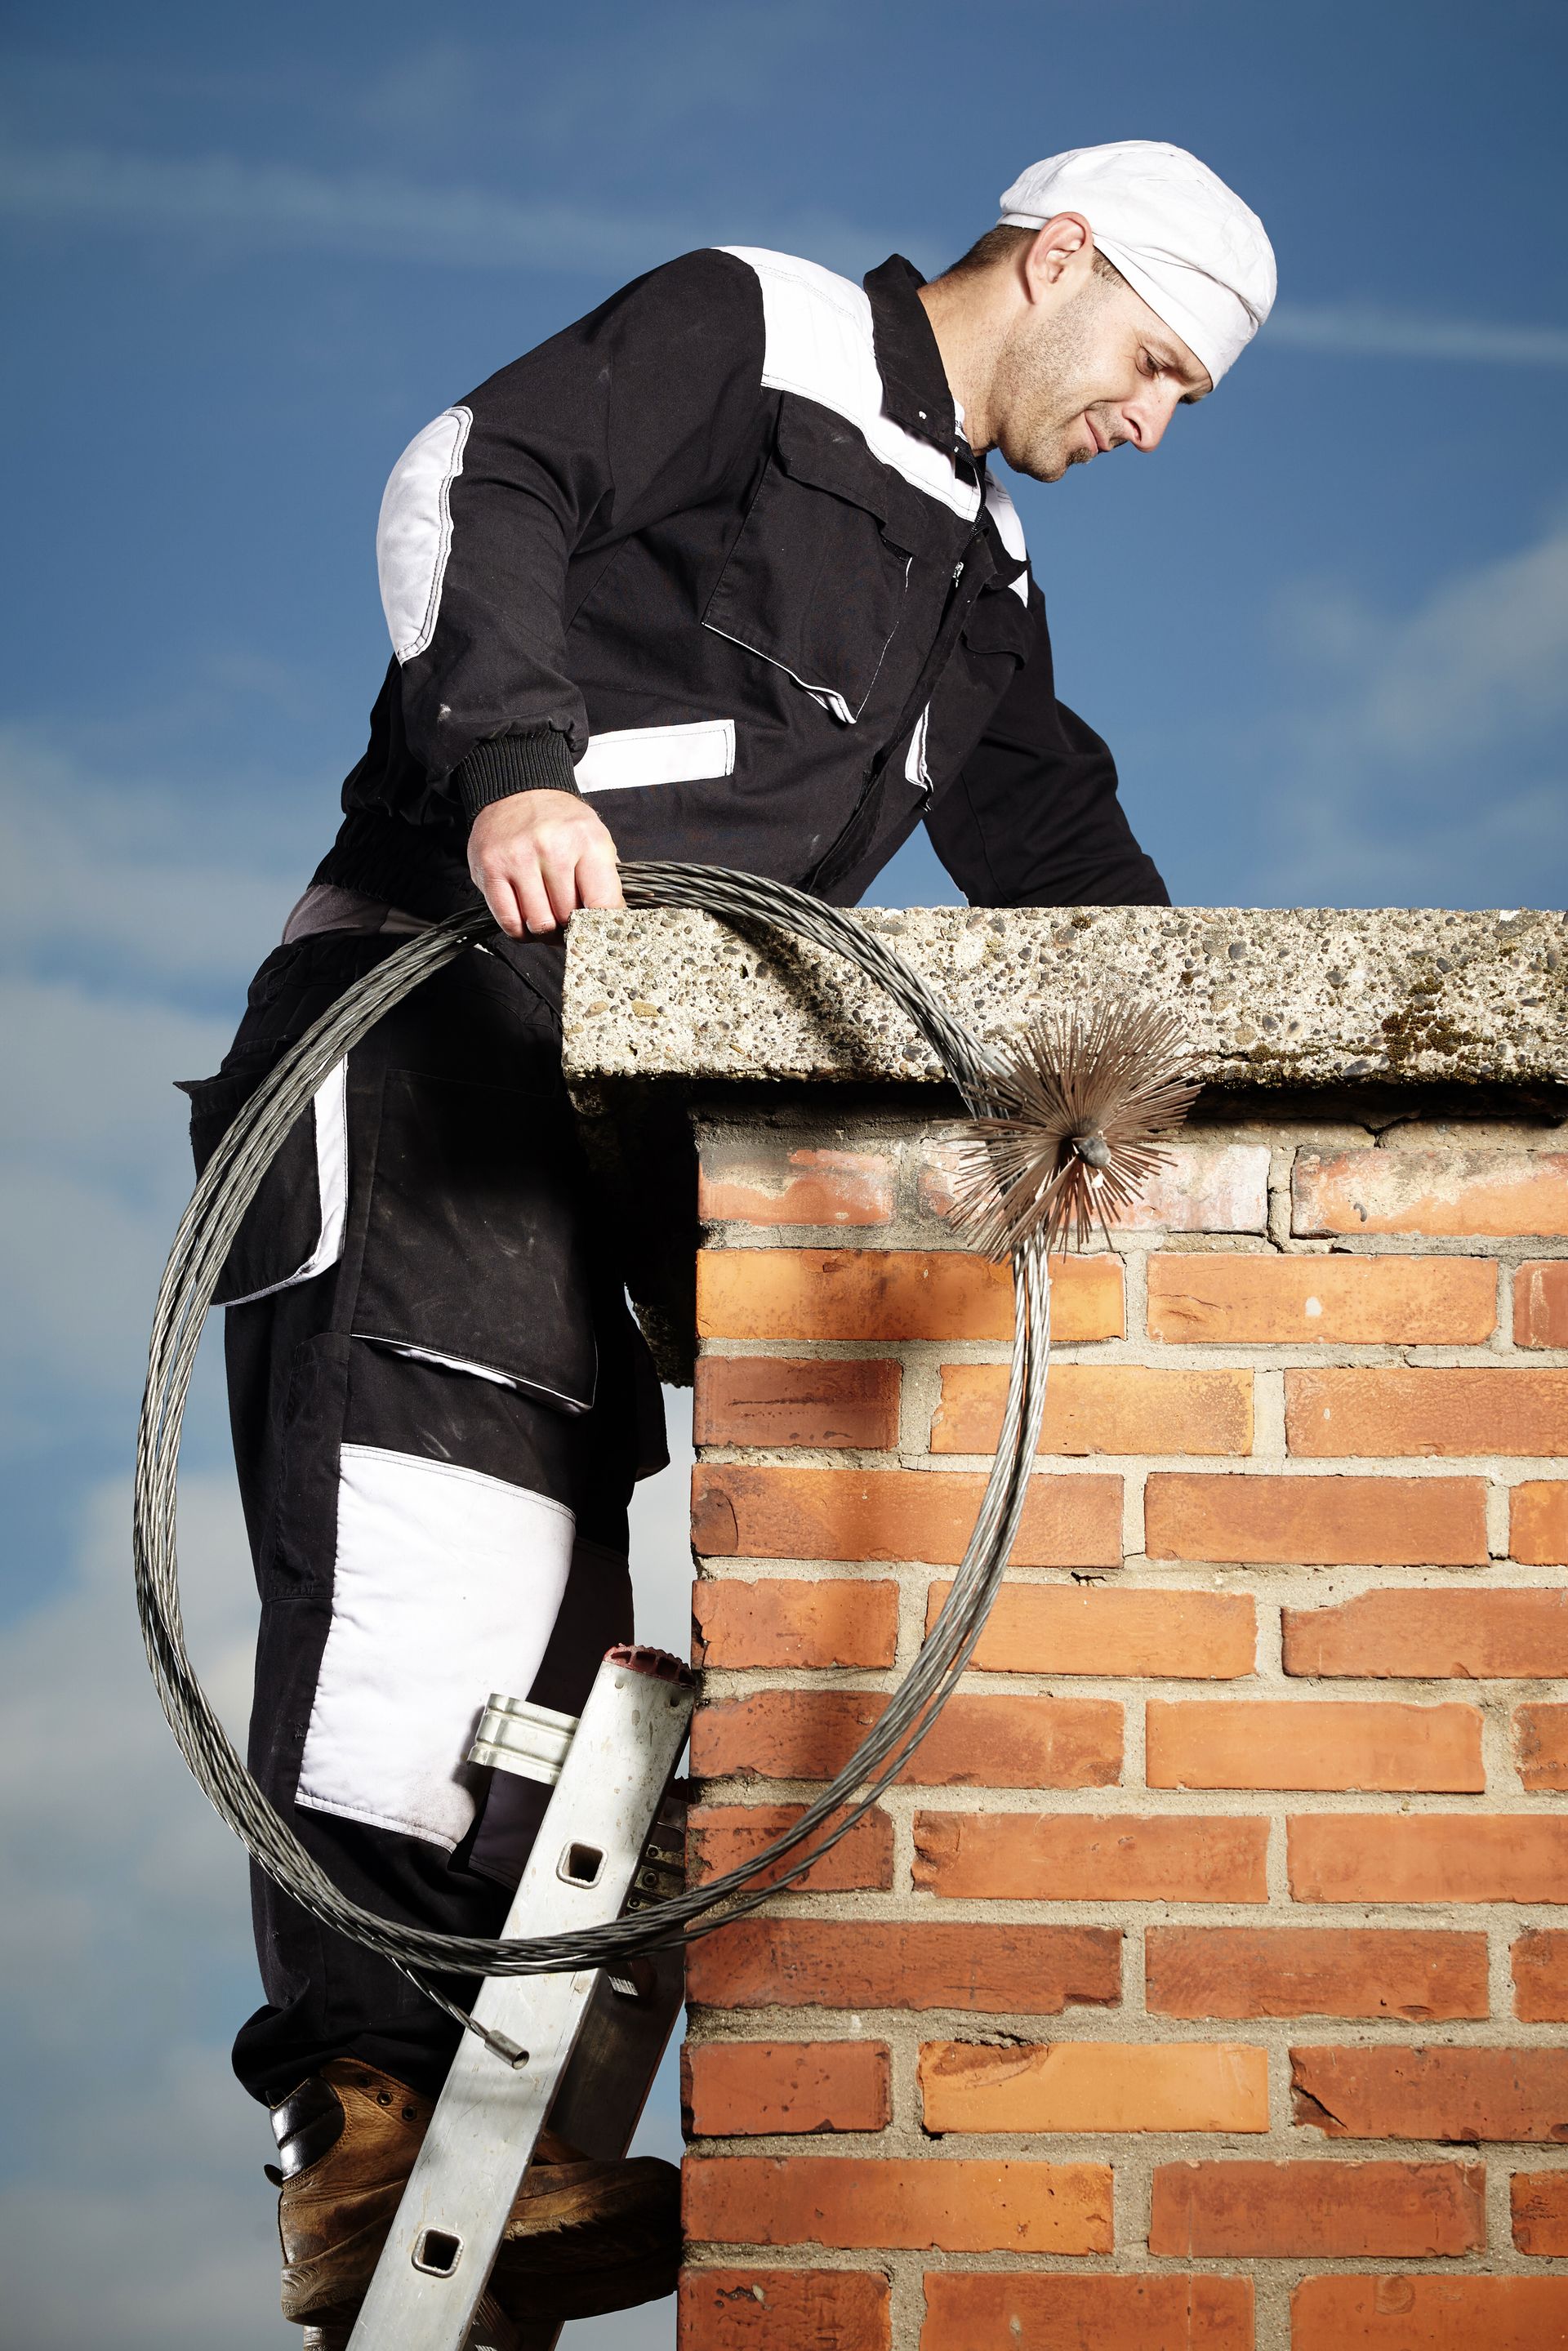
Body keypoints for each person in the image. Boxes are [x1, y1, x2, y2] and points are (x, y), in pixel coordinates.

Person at [188, 139, 1275, 2339]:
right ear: (1057, 256)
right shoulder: (756, 329)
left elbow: (1062, 844)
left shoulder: (979, 570)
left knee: (583, 1623)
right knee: (427, 1543)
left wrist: (1208, 1098)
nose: (1153, 422)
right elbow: (466, 473)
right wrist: (507, 760)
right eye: (1155, 363)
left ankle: (532, 2119)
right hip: (428, 1027)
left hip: (620, 1131)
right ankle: (363, 2127)